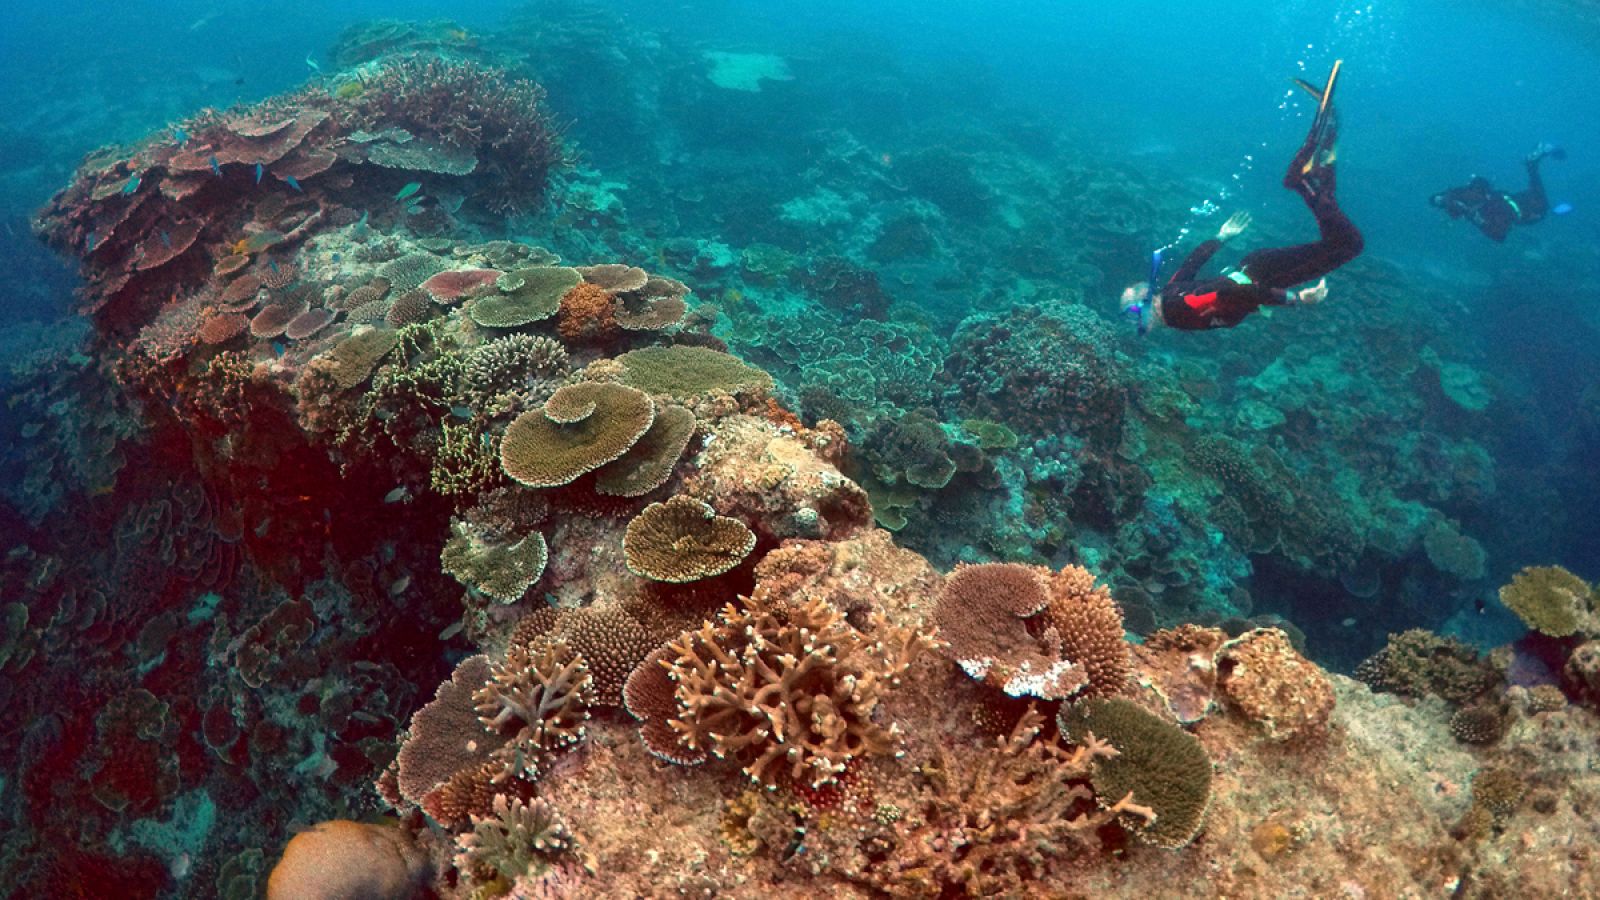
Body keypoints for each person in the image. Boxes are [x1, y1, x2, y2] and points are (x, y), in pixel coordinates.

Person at [1121, 61, 1364, 332]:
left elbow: (1231, 293)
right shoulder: (1169, 297)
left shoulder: (1178, 310)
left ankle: (1304, 180)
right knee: (1341, 243)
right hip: (1258, 268)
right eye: (1128, 306)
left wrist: (1296, 300)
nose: (1131, 295)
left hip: (1264, 275)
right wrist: (1222, 237)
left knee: (1349, 244)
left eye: (1129, 308)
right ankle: (1312, 175)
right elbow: (1193, 264)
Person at [1430, 144, 1566, 241]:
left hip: (1516, 207)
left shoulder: (1469, 205)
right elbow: (1499, 234)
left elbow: (1499, 236)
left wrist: (1478, 220)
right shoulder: (1464, 198)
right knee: (1537, 198)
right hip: (1511, 202)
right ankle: (1532, 164)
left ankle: (1532, 164)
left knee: (1541, 206)